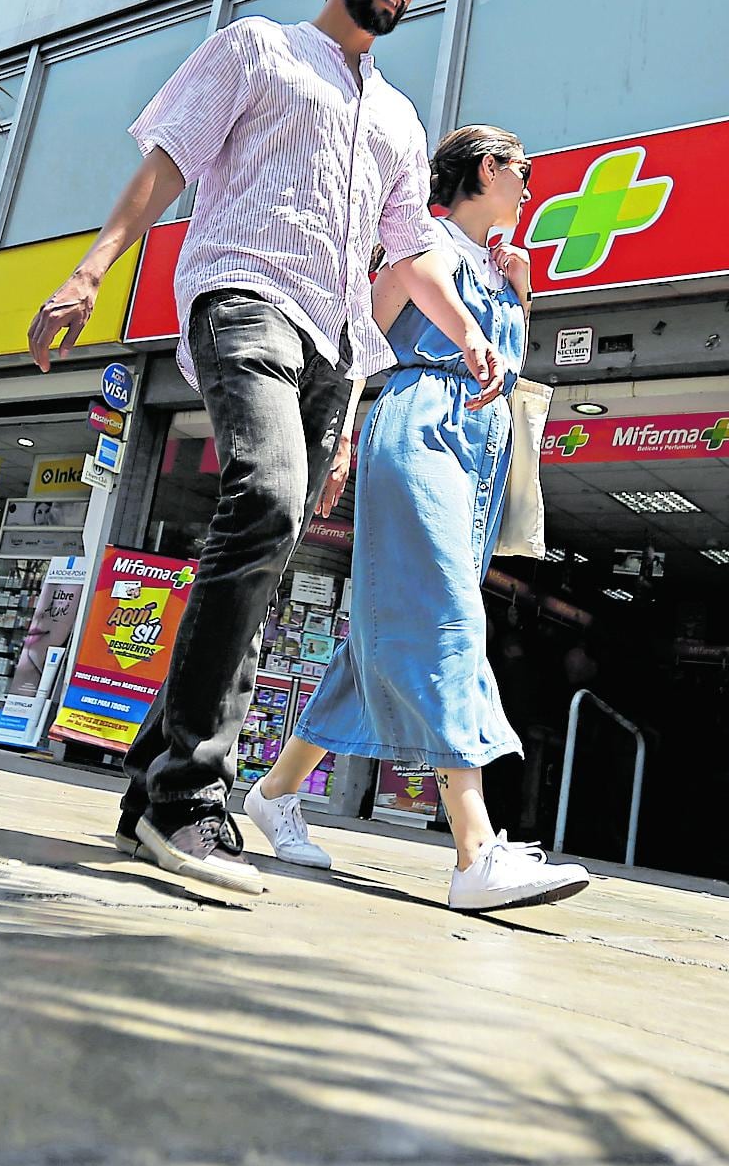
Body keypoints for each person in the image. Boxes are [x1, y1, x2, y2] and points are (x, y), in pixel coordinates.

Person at [30, 0, 504, 894]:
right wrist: (89, 271)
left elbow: (412, 252)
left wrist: (466, 339)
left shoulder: (398, 117)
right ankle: (186, 798)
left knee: (266, 539)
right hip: (242, 294)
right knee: (265, 501)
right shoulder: (256, 49)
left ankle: (145, 788)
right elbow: (165, 168)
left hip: (335, 341)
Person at [247, 126, 588, 911]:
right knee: (449, 617)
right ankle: (475, 850)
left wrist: (523, 290)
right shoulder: (419, 241)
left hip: (480, 452)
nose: (531, 185)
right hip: (418, 426)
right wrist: (336, 440)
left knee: (380, 633)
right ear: (489, 168)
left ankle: (275, 791)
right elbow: (357, 346)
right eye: (525, 170)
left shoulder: (500, 265)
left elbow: (510, 362)